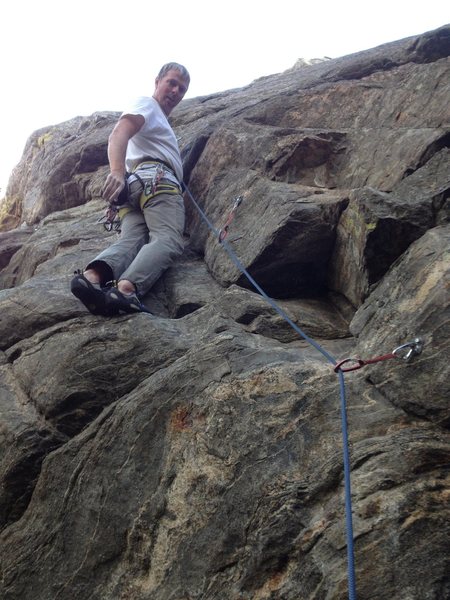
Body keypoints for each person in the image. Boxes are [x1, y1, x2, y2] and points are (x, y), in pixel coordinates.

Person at [70, 62, 190, 316]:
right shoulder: (148, 105)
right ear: (157, 81)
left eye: (182, 88)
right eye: (171, 82)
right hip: (158, 183)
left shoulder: (156, 120)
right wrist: (115, 171)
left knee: (133, 239)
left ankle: (92, 277)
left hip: (135, 189)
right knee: (167, 239)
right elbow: (119, 131)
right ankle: (126, 290)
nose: (176, 91)